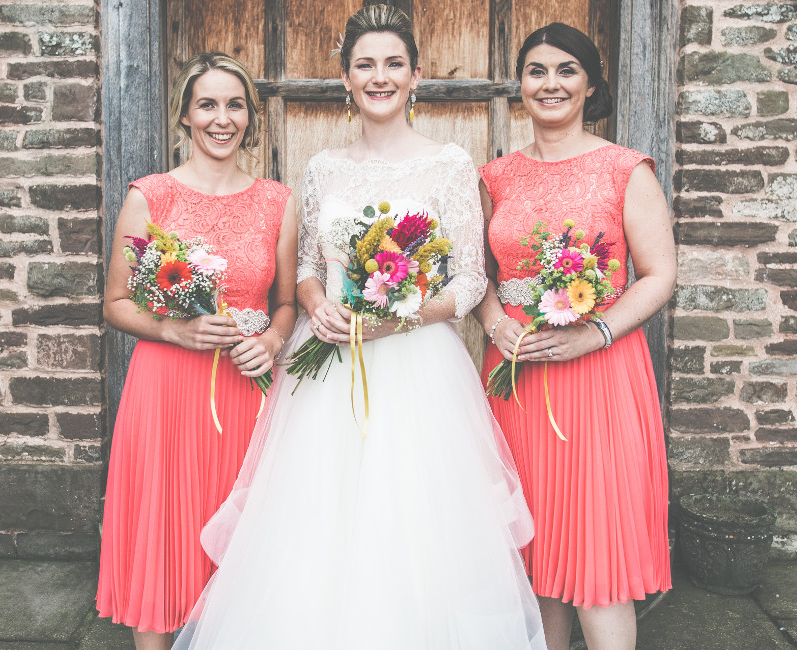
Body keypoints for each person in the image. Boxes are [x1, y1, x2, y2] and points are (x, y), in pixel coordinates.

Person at [173, 6, 546, 648]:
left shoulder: (451, 163)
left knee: (416, 520)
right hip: (329, 363)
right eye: (364, 65)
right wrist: (317, 303)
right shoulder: (323, 168)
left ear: (416, 76)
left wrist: (399, 317)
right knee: (321, 517)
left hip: (419, 366)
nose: (379, 77)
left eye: (393, 64)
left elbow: (469, 280)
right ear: (345, 78)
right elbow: (312, 268)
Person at [473, 22, 675, 650]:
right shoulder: (495, 177)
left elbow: (660, 274)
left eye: (566, 70)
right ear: (521, 85)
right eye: (537, 70)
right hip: (516, 379)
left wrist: (597, 332)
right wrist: (494, 322)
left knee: (598, 555)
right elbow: (478, 277)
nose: (551, 83)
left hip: (599, 378)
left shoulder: (624, 170)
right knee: (535, 553)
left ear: (590, 84)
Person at [96, 52, 297, 650]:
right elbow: (114, 303)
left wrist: (272, 339)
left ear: (249, 116)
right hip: (166, 391)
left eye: (234, 105)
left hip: (247, 391)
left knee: (247, 533)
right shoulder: (151, 197)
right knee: (165, 527)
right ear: (186, 114)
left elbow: (287, 302)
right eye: (207, 104)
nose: (221, 118)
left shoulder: (277, 202)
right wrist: (174, 332)